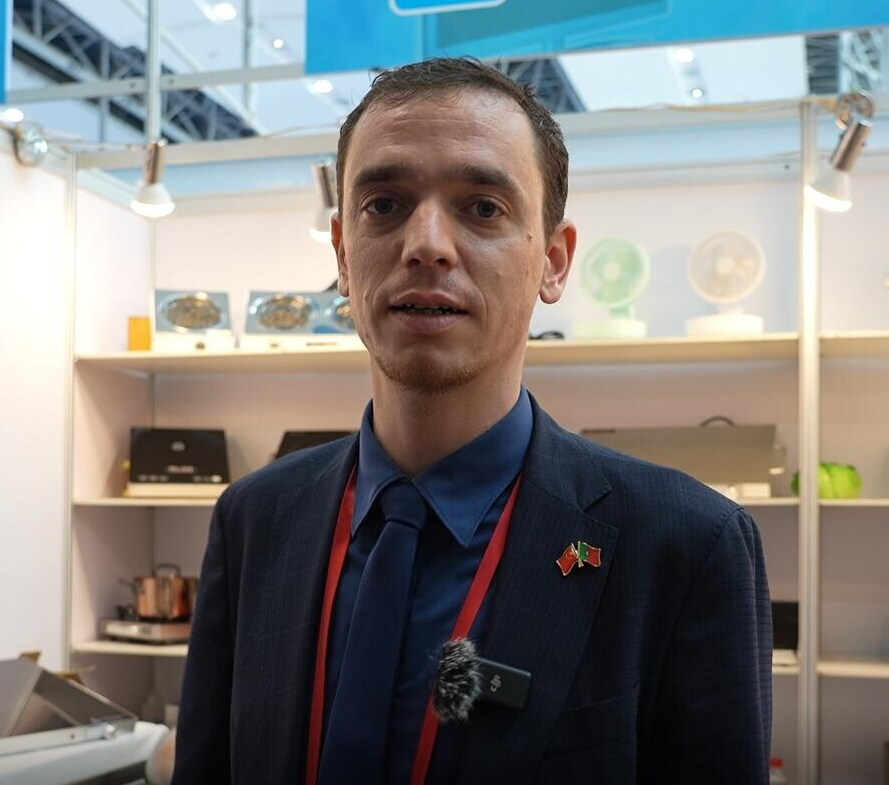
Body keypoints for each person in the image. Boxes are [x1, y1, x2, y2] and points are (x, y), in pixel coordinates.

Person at [172, 57, 772, 785]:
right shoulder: (254, 520)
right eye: (383, 205)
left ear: (553, 262)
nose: (425, 243)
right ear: (342, 255)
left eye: (483, 208)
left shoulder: (684, 545)